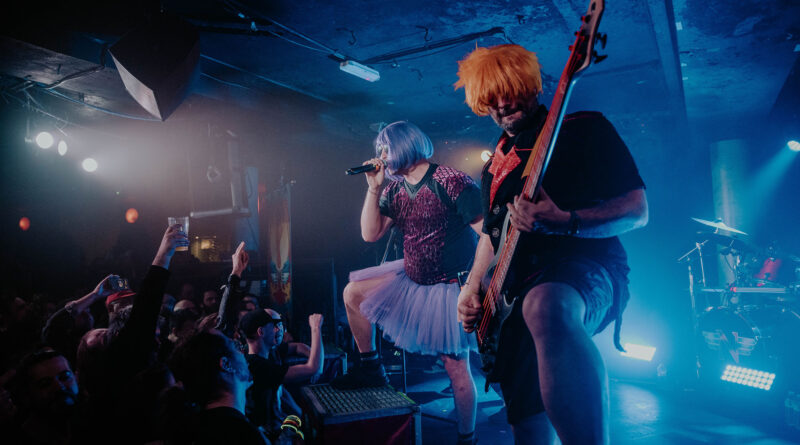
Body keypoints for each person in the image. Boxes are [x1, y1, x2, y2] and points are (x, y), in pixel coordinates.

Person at [454, 44, 649, 445]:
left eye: (511, 90)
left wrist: (566, 221)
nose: (503, 103)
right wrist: (473, 288)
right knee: (527, 427)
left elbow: (637, 209)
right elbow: (492, 240)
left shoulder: (583, 128)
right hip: (511, 296)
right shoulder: (493, 166)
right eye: (492, 97)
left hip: (586, 269)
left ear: (534, 85)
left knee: (546, 305)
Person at [332, 121, 483, 445]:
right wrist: (373, 188)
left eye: (384, 149)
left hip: (449, 286)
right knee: (353, 293)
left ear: (402, 145)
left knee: (456, 368)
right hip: (411, 278)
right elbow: (369, 234)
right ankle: (371, 367)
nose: (381, 156)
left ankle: (466, 437)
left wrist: (475, 284)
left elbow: (488, 234)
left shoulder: (452, 181)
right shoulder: (394, 190)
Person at [170, 330, 269, 445]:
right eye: (236, 347)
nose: (243, 353)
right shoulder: (239, 433)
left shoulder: (197, 426)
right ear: (227, 365)